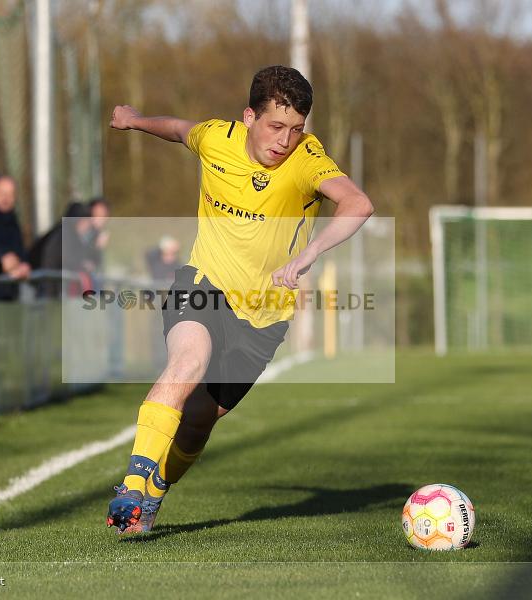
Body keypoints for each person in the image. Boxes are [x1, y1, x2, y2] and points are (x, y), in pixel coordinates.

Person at [105, 65, 374, 533]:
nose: (285, 140)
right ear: (249, 117)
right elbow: (178, 130)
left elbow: (358, 203)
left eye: (296, 130)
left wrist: (311, 251)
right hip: (204, 283)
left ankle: (154, 494)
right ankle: (132, 485)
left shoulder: (308, 158)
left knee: (199, 423)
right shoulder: (216, 138)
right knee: (189, 360)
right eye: (275, 126)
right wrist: (136, 120)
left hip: (264, 317)